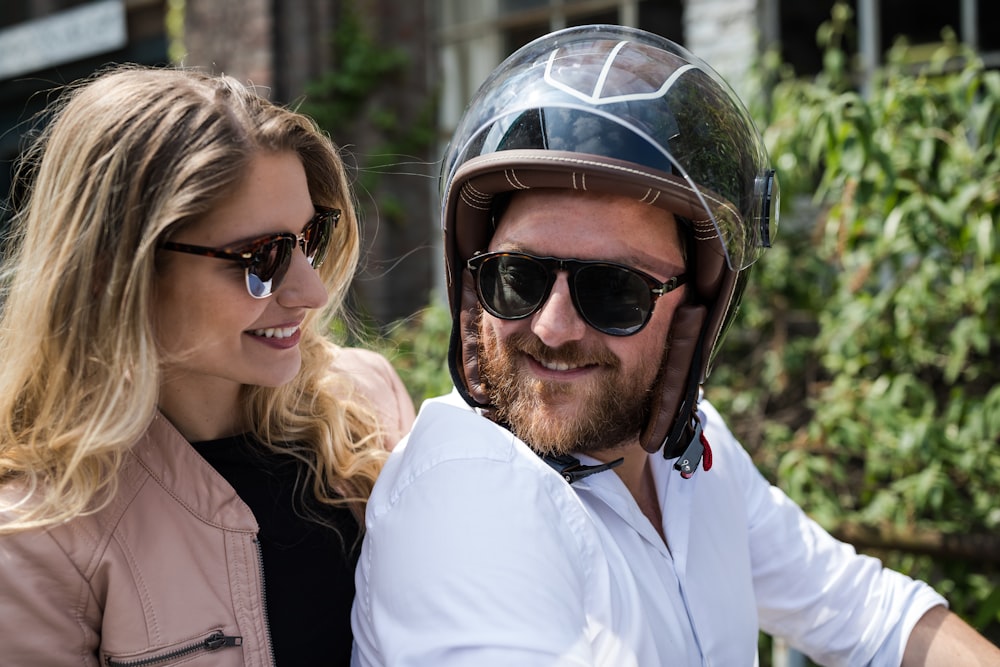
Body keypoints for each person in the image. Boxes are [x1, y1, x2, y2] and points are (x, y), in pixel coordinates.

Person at [351, 25, 1000, 666]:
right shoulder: (463, 500)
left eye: (614, 292)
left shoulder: (688, 456)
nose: (552, 328)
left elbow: (866, 612)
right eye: (516, 278)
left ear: (693, 312)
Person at [0, 65, 415, 666]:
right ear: (120, 272)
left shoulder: (366, 402)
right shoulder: (36, 538)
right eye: (259, 257)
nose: (310, 291)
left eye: (309, 238)